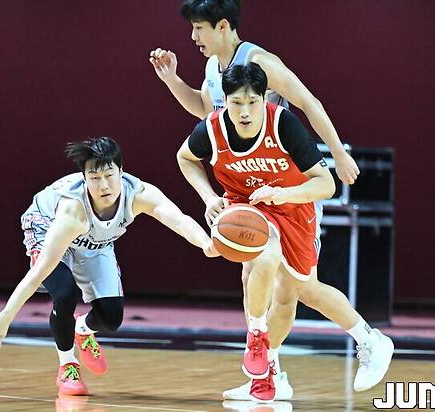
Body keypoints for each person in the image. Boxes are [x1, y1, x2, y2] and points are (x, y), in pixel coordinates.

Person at [151, 0, 391, 400]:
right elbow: (205, 113)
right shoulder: (214, 70)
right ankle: (267, 372)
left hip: (289, 186)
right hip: (248, 190)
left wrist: (338, 153)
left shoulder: (260, 63)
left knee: (297, 290)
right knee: (256, 270)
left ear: (222, 25)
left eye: (199, 28)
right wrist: (173, 80)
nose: (193, 37)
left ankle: (365, 341)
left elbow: (308, 102)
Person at [0, 137, 218, 396]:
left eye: (109, 175)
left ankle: (82, 330)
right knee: (64, 293)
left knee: (111, 317)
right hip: (47, 227)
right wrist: (7, 315)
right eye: (95, 178)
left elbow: (179, 220)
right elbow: (38, 272)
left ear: (121, 172)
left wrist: (206, 243)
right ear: (84, 178)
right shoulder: (72, 212)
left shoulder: (139, 194)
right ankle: (68, 365)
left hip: (95, 241)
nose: (104, 185)